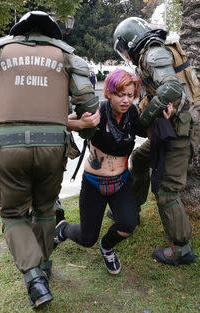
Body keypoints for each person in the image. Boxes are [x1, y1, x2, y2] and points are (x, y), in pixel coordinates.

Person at [0, 11, 99, 309]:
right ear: (53, 32)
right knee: (45, 209)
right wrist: (87, 129)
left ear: (19, 30)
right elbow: (89, 101)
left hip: (8, 147)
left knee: (12, 214)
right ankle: (43, 267)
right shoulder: (67, 56)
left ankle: (34, 278)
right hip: (54, 147)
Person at [113, 17, 200, 266]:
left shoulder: (153, 54)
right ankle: (132, 210)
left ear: (131, 42)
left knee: (166, 191)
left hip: (180, 131)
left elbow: (171, 89)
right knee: (139, 158)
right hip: (171, 129)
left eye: (123, 48)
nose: (125, 54)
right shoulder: (152, 53)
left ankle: (181, 249)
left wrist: (144, 118)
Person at [54, 69, 159, 275]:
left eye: (130, 95)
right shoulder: (97, 110)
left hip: (121, 183)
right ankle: (63, 229)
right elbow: (61, 121)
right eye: (120, 94)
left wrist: (163, 117)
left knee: (128, 225)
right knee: (87, 238)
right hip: (94, 183)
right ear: (109, 93)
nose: (126, 100)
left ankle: (107, 247)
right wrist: (81, 124)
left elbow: (151, 134)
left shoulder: (133, 114)